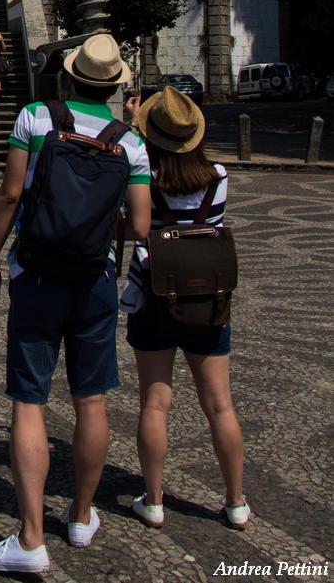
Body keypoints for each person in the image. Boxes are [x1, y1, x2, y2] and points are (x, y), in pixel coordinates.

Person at [0, 33, 151, 571]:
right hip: (94, 277)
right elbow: (141, 225)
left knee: (29, 401)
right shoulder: (133, 143)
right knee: (90, 400)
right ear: (117, 84)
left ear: (69, 75)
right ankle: (79, 517)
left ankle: (31, 539)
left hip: (36, 272)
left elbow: (10, 194)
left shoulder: (35, 117)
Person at [121, 86, 249, 531]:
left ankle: (153, 500)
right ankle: (236, 502)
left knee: (154, 404)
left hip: (155, 295)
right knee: (220, 406)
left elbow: (135, 222)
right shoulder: (218, 175)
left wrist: (131, 122)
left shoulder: (142, 177)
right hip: (208, 299)